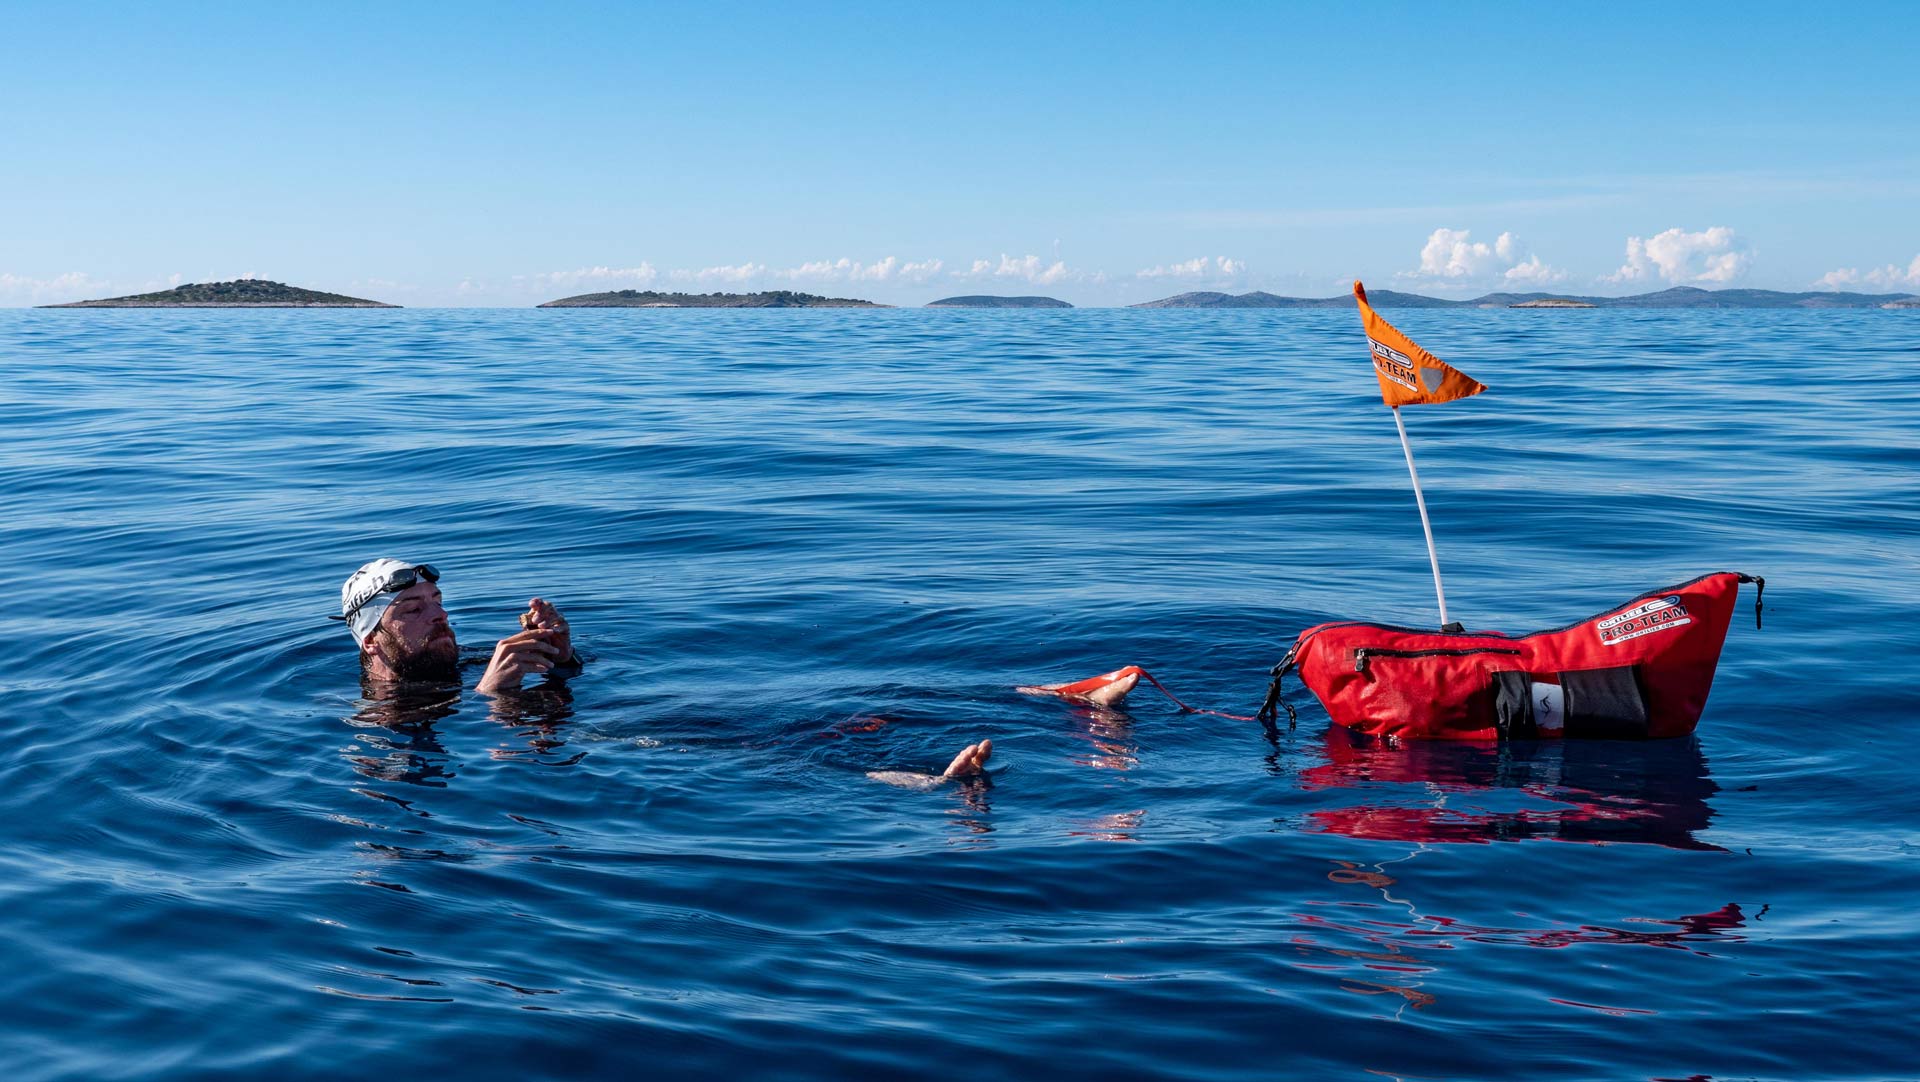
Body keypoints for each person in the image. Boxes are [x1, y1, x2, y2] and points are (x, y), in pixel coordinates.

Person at [335, 558, 581, 695]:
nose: (441, 614)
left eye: (438, 602)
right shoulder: (378, 715)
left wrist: (561, 660)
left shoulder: (471, 663)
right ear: (370, 641)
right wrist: (490, 693)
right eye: (413, 610)